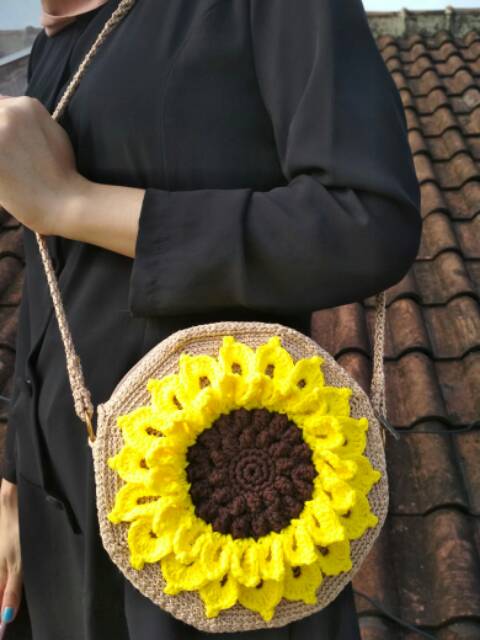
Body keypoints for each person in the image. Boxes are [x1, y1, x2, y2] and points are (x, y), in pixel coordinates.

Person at [0, 0, 422, 638]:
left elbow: (366, 222)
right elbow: (51, 267)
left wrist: (73, 202)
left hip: (220, 507)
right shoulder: (51, 45)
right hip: (54, 503)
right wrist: (15, 472)